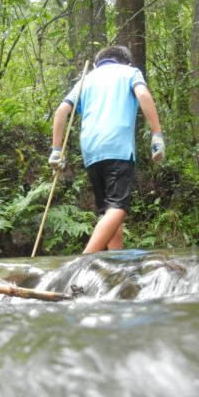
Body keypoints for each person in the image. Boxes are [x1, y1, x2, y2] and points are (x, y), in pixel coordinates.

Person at [49, 45, 164, 253]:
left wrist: (57, 150)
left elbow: (61, 111)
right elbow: (144, 95)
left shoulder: (87, 79)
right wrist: (156, 134)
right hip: (118, 146)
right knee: (119, 209)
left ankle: (115, 260)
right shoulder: (130, 72)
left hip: (91, 151)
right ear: (126, 62)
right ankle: (84, 259)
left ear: (97, 64)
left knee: (109, 211)